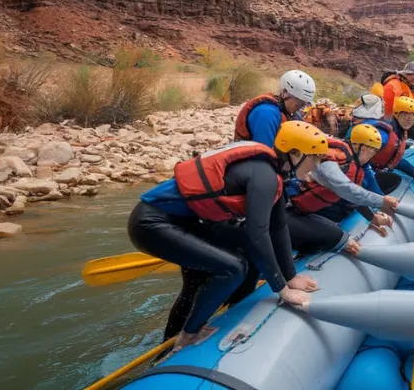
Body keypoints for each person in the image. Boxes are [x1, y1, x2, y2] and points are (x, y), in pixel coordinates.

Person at [128, 121, 326, 352]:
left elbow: (278, 227)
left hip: (190, 222)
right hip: (152, 223)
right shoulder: (265, 176)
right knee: (233, 268)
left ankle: (229, 310)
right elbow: (258, 233)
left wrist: (290, 276)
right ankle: (188, 334)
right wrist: (282, 289)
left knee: (244, 254)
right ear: (295, 153)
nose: (318, 166)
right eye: (315, 159)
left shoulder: (274, 175)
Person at [285, 123, 398, 242]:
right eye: (373, 151)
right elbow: (347, 190)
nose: (373, 156)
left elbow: (350, 197)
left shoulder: (351, 162)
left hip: (309, 209)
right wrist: (382, 202)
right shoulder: (331, 162)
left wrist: (372, 217)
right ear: (364, 149)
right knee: (338, 235)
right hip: (291, 209)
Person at [234, 70, 316, 145]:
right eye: (298, 101)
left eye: (303, 103)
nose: (300, 106)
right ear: (285, 93)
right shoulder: (266, 114)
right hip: (253, 159)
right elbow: (263, 153)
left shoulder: (293, 113)